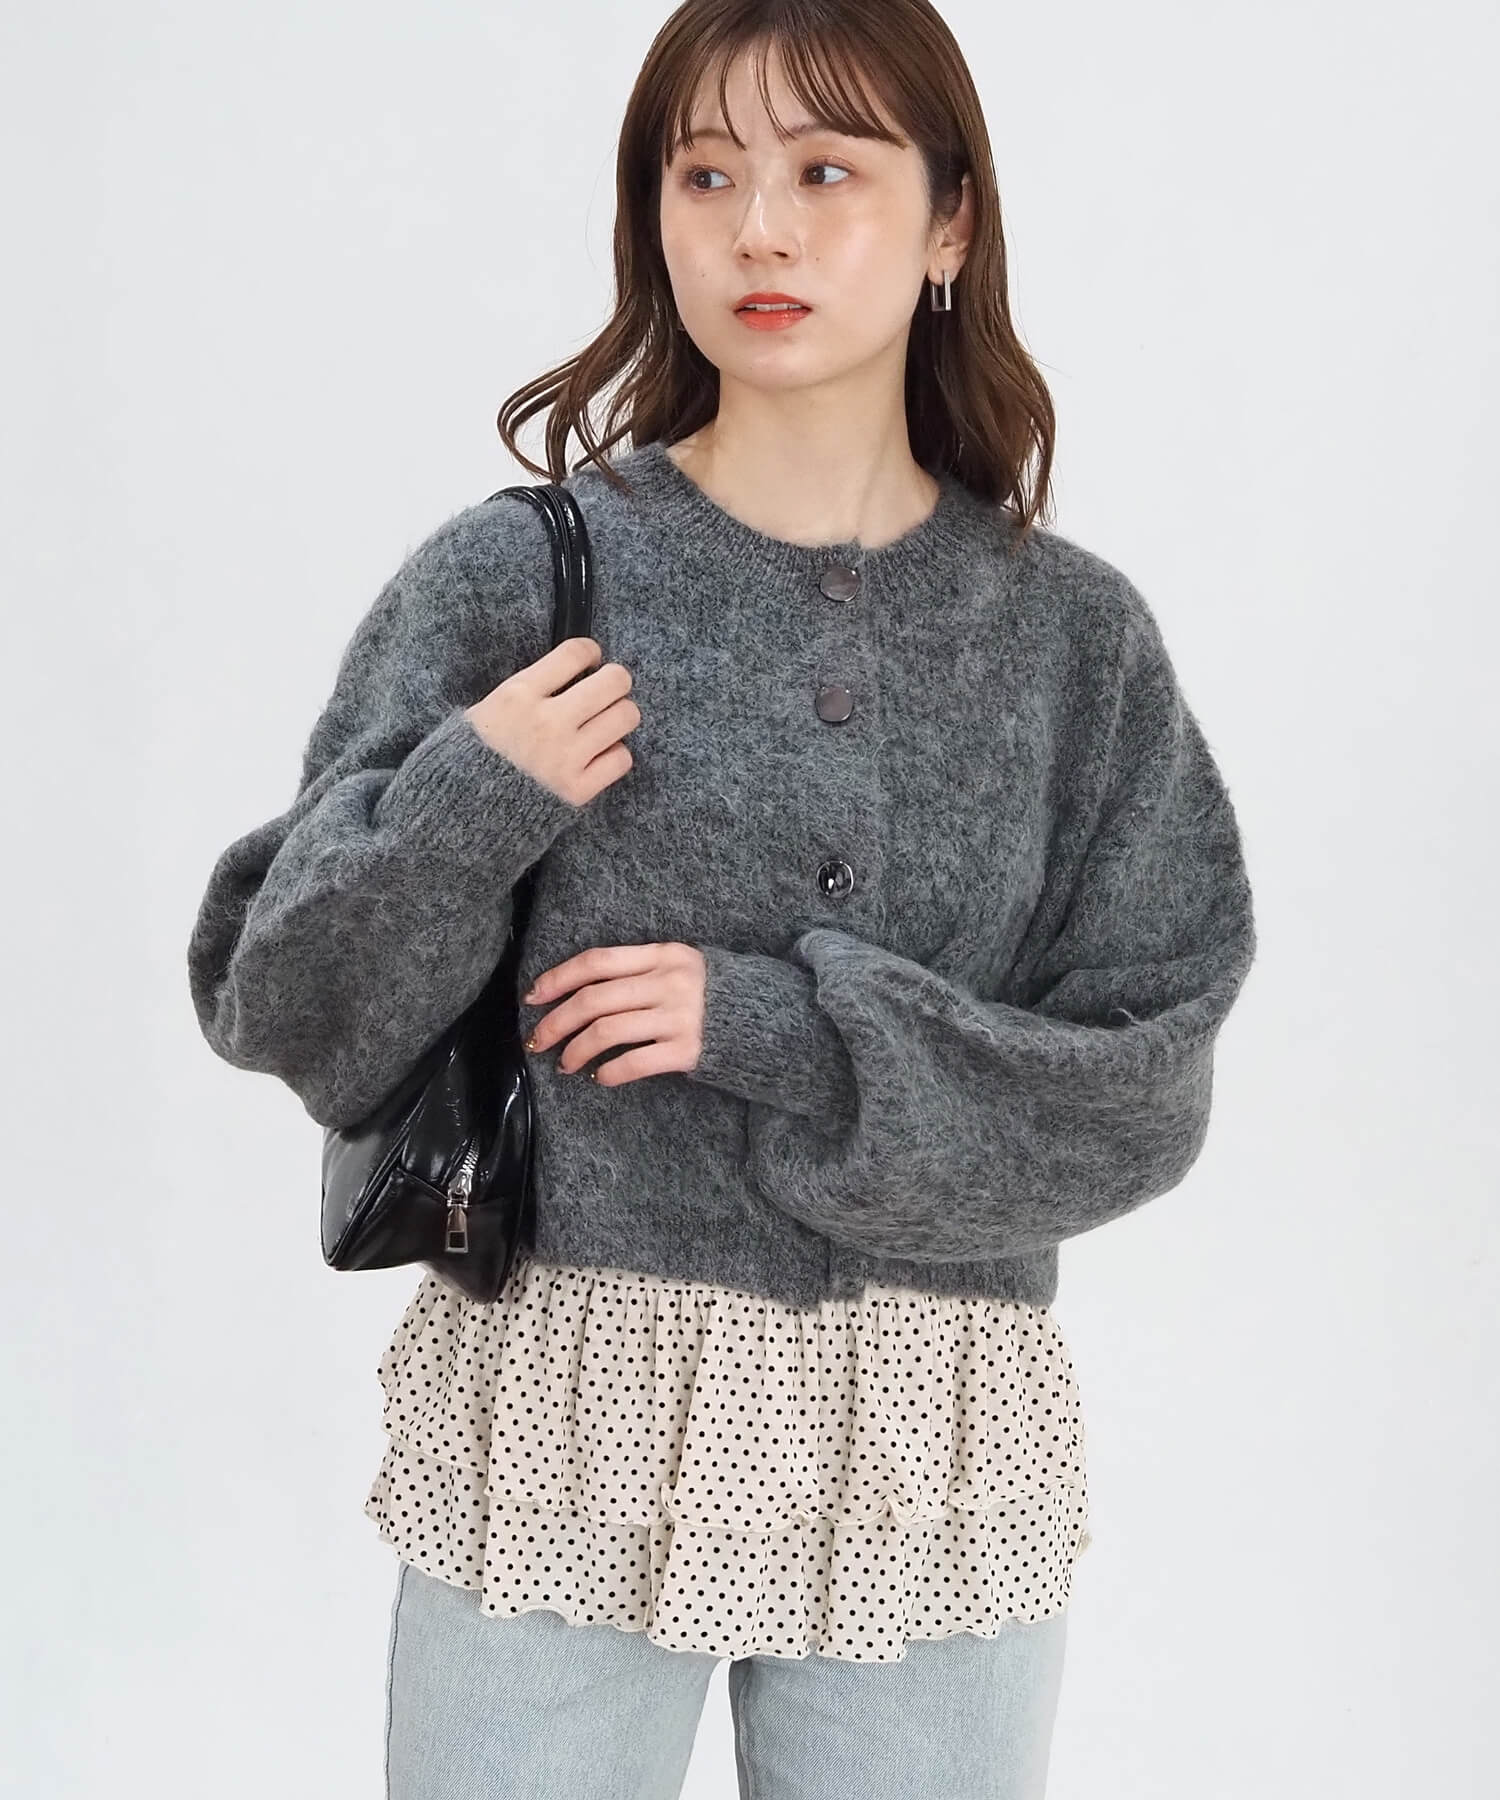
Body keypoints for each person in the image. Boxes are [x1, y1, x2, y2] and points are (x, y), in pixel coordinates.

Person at [185, 3, 1258, 1796]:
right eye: (706, 176)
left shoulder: (1073, 642)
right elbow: (280, 1006)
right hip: (570, 1414)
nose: (761, 228)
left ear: (949, 223)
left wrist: (783, 1028)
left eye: (827, 172)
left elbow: (1143, 1092)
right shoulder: (521, 577)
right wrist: (471, 798)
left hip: (930, 1441)